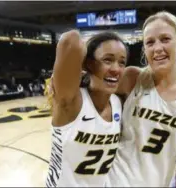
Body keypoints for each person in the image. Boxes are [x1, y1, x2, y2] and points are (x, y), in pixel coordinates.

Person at [106, 11, 176, 187]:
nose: (158, 48)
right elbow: (94, 81)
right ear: (145, 49)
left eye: (165, 39)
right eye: (150, 42)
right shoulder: (132, 77)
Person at [45, 30, 129, 187]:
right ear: (89, 64)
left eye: (122, 62)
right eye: (107, 60)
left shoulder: (118, 103)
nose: (116, 69)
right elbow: (71, 40)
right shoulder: (71, 102)